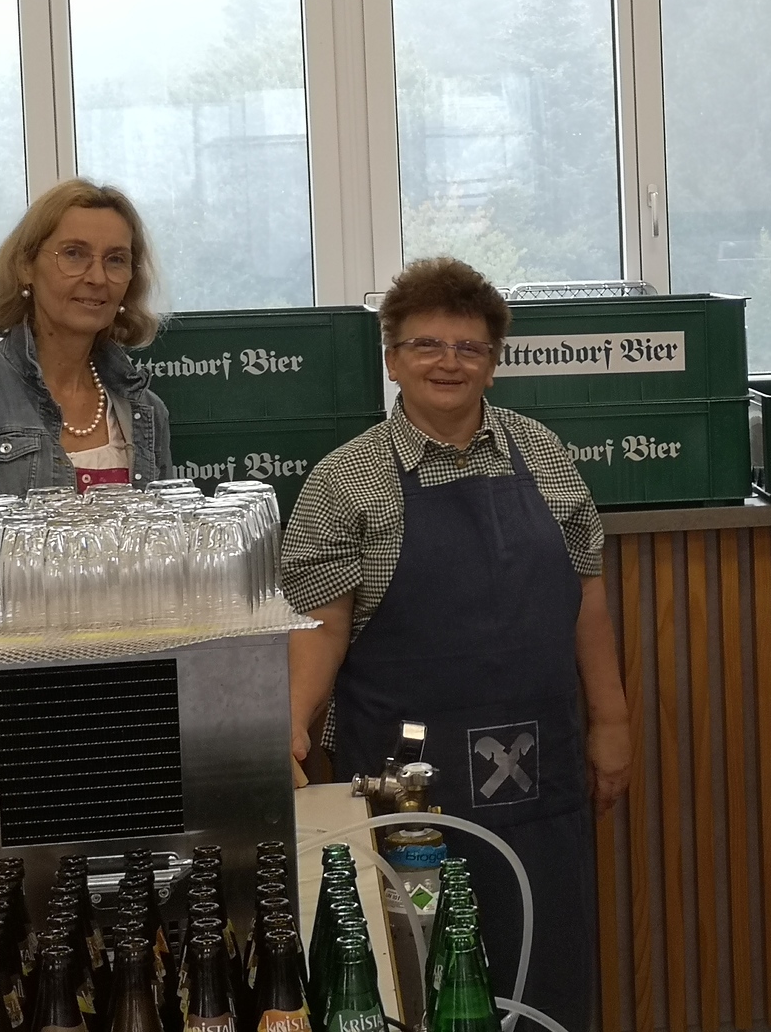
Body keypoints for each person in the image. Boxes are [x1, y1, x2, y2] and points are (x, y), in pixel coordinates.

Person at [281, 257, 630, 1032]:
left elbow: (587, 596)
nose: (448, 362)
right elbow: (319, 626)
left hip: (541, 777)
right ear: (391, 359)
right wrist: (292, 726)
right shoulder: (346, 482)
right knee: (418, 984)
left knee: (545, 980)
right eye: (426, 345)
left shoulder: (545, 455)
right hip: (407, 791)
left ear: (494, 362)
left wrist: (612, 722)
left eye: (469, 347)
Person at [0, 177, 174, 643]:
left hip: (130, 671)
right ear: (26, 266)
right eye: (74, 254)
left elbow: (168, 571)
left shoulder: (147, 412)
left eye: (116, 260)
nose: (97, 277)